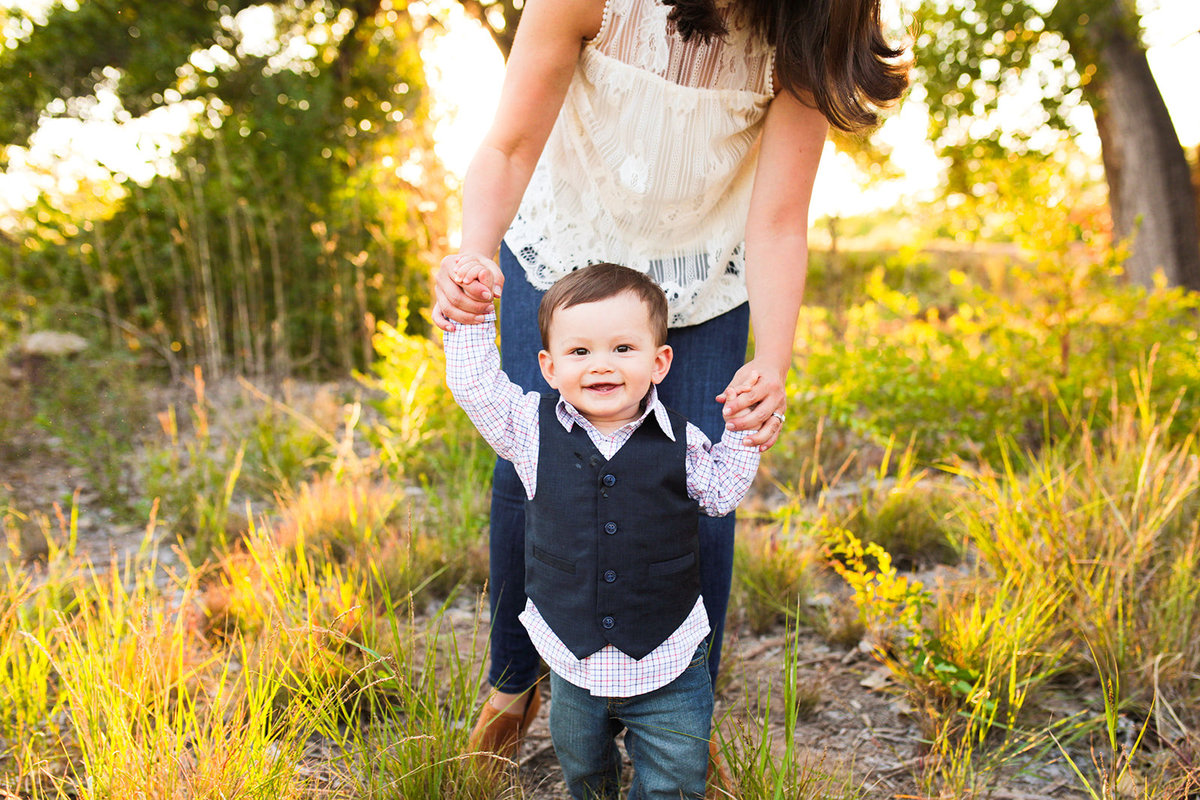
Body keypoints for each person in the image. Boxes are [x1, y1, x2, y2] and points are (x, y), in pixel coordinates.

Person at [432, 0, 909, 761]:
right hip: (562, 261)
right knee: (536, 468)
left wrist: (772, 362)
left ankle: (683, 712)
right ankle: (517, 678)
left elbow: (779, 220)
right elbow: (512, 146)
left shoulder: (806, 28)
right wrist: (471, 256)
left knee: (695, 492)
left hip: (702, 285)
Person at [445, 259, 761, 799]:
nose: (601, 366)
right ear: (548, 367)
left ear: (660, 362)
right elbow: (477, 388)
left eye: (622, 348)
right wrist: (471, 319)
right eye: (579, 351)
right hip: (572, 660)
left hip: (669, 662)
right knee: (586, 775)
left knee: (675, 783)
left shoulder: (682, 442)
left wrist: (746, 429)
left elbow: (722, 494)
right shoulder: (529, 431)